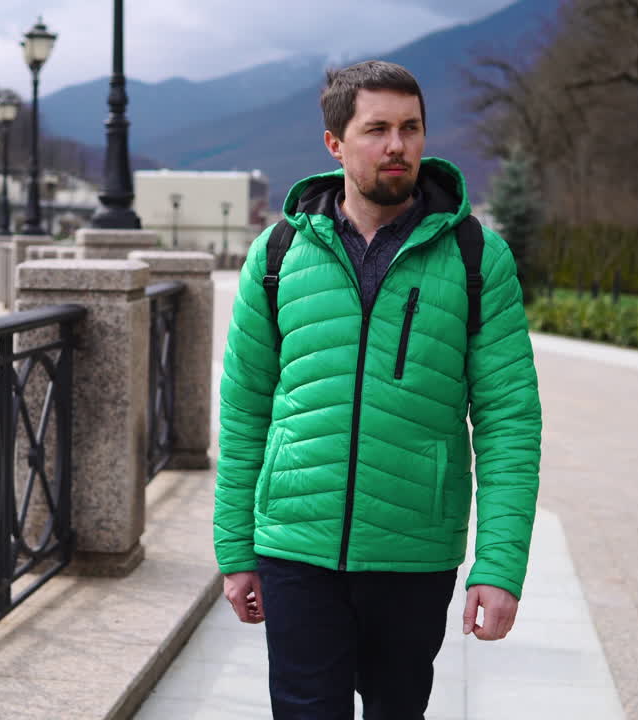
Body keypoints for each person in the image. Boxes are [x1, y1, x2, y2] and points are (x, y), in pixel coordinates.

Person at [214, 60, 543, 719]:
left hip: (413, 551)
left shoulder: (478, 257)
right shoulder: (277, 255)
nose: (398, 145)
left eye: (411, 128)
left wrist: (498, 567)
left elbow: (509, 419)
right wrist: (235, 548)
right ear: (335, 143)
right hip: (297, 547)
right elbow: (245, 408)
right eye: (378, 129)